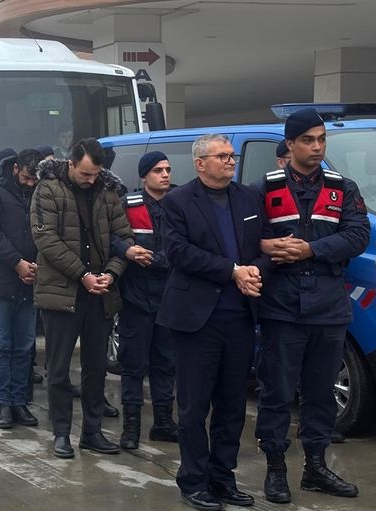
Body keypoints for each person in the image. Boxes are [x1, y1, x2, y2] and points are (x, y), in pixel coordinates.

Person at [255, 108, 369, 503]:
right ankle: (275, 469)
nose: (317, 147)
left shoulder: (343, 188)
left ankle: (316, 468)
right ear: (290, 144)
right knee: (277, 391)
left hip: (328, 305)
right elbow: (246, 235)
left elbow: (358, 236)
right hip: (281, 305)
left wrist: (311, 249)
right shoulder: (264, 188)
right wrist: (266, 245)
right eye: (308, 140)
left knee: (320, 393)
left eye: (321, 139)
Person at [156, 134, 271, 510]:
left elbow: (265, 243)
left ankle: (223, 477)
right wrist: (232, 271)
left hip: (240, 317)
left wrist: (256, 270)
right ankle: (193, 480)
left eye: (231, 155)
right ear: (200, 163)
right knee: (194, 406)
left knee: (233, 404)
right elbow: (178, 252)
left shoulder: (248, 198)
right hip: (196, 319)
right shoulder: (178, 201)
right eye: (222, 156)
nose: (230, 161)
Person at [30, 138, 133, 459]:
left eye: (96, 174)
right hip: (62, 292)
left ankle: (92, 431)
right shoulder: (48, 189)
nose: (91, 180)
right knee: (59, 368)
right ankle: (61, 433)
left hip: (99, 293)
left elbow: (123, 238)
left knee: (96, 367)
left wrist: (111, 274)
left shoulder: (108, 192)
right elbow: (46, 239)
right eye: (85, 174)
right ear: (71, 164)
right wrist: (82, 275)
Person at [0, 148, 44, 429]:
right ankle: (1, 401)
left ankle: (19, 401)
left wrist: (35, 265)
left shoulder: (39, 188)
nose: (30, 183)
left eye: (34, 180)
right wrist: (17, 263)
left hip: (29, 277)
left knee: (24, 344)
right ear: (16, 168)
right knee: (0, 343)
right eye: (26, 178)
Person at [115, 152, 178, 450]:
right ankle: (131, 428)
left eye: (167, 169)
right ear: (144, 176)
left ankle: (164, 423)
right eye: (157, 170)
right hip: (136, 298)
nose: (164, 175)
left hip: (169, 296)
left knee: (166, 363)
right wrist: (127, 250)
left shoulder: (179, 204)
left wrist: (158, 260)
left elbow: (186, 244)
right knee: (133, 364)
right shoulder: (127, 205)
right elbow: (110, 236)